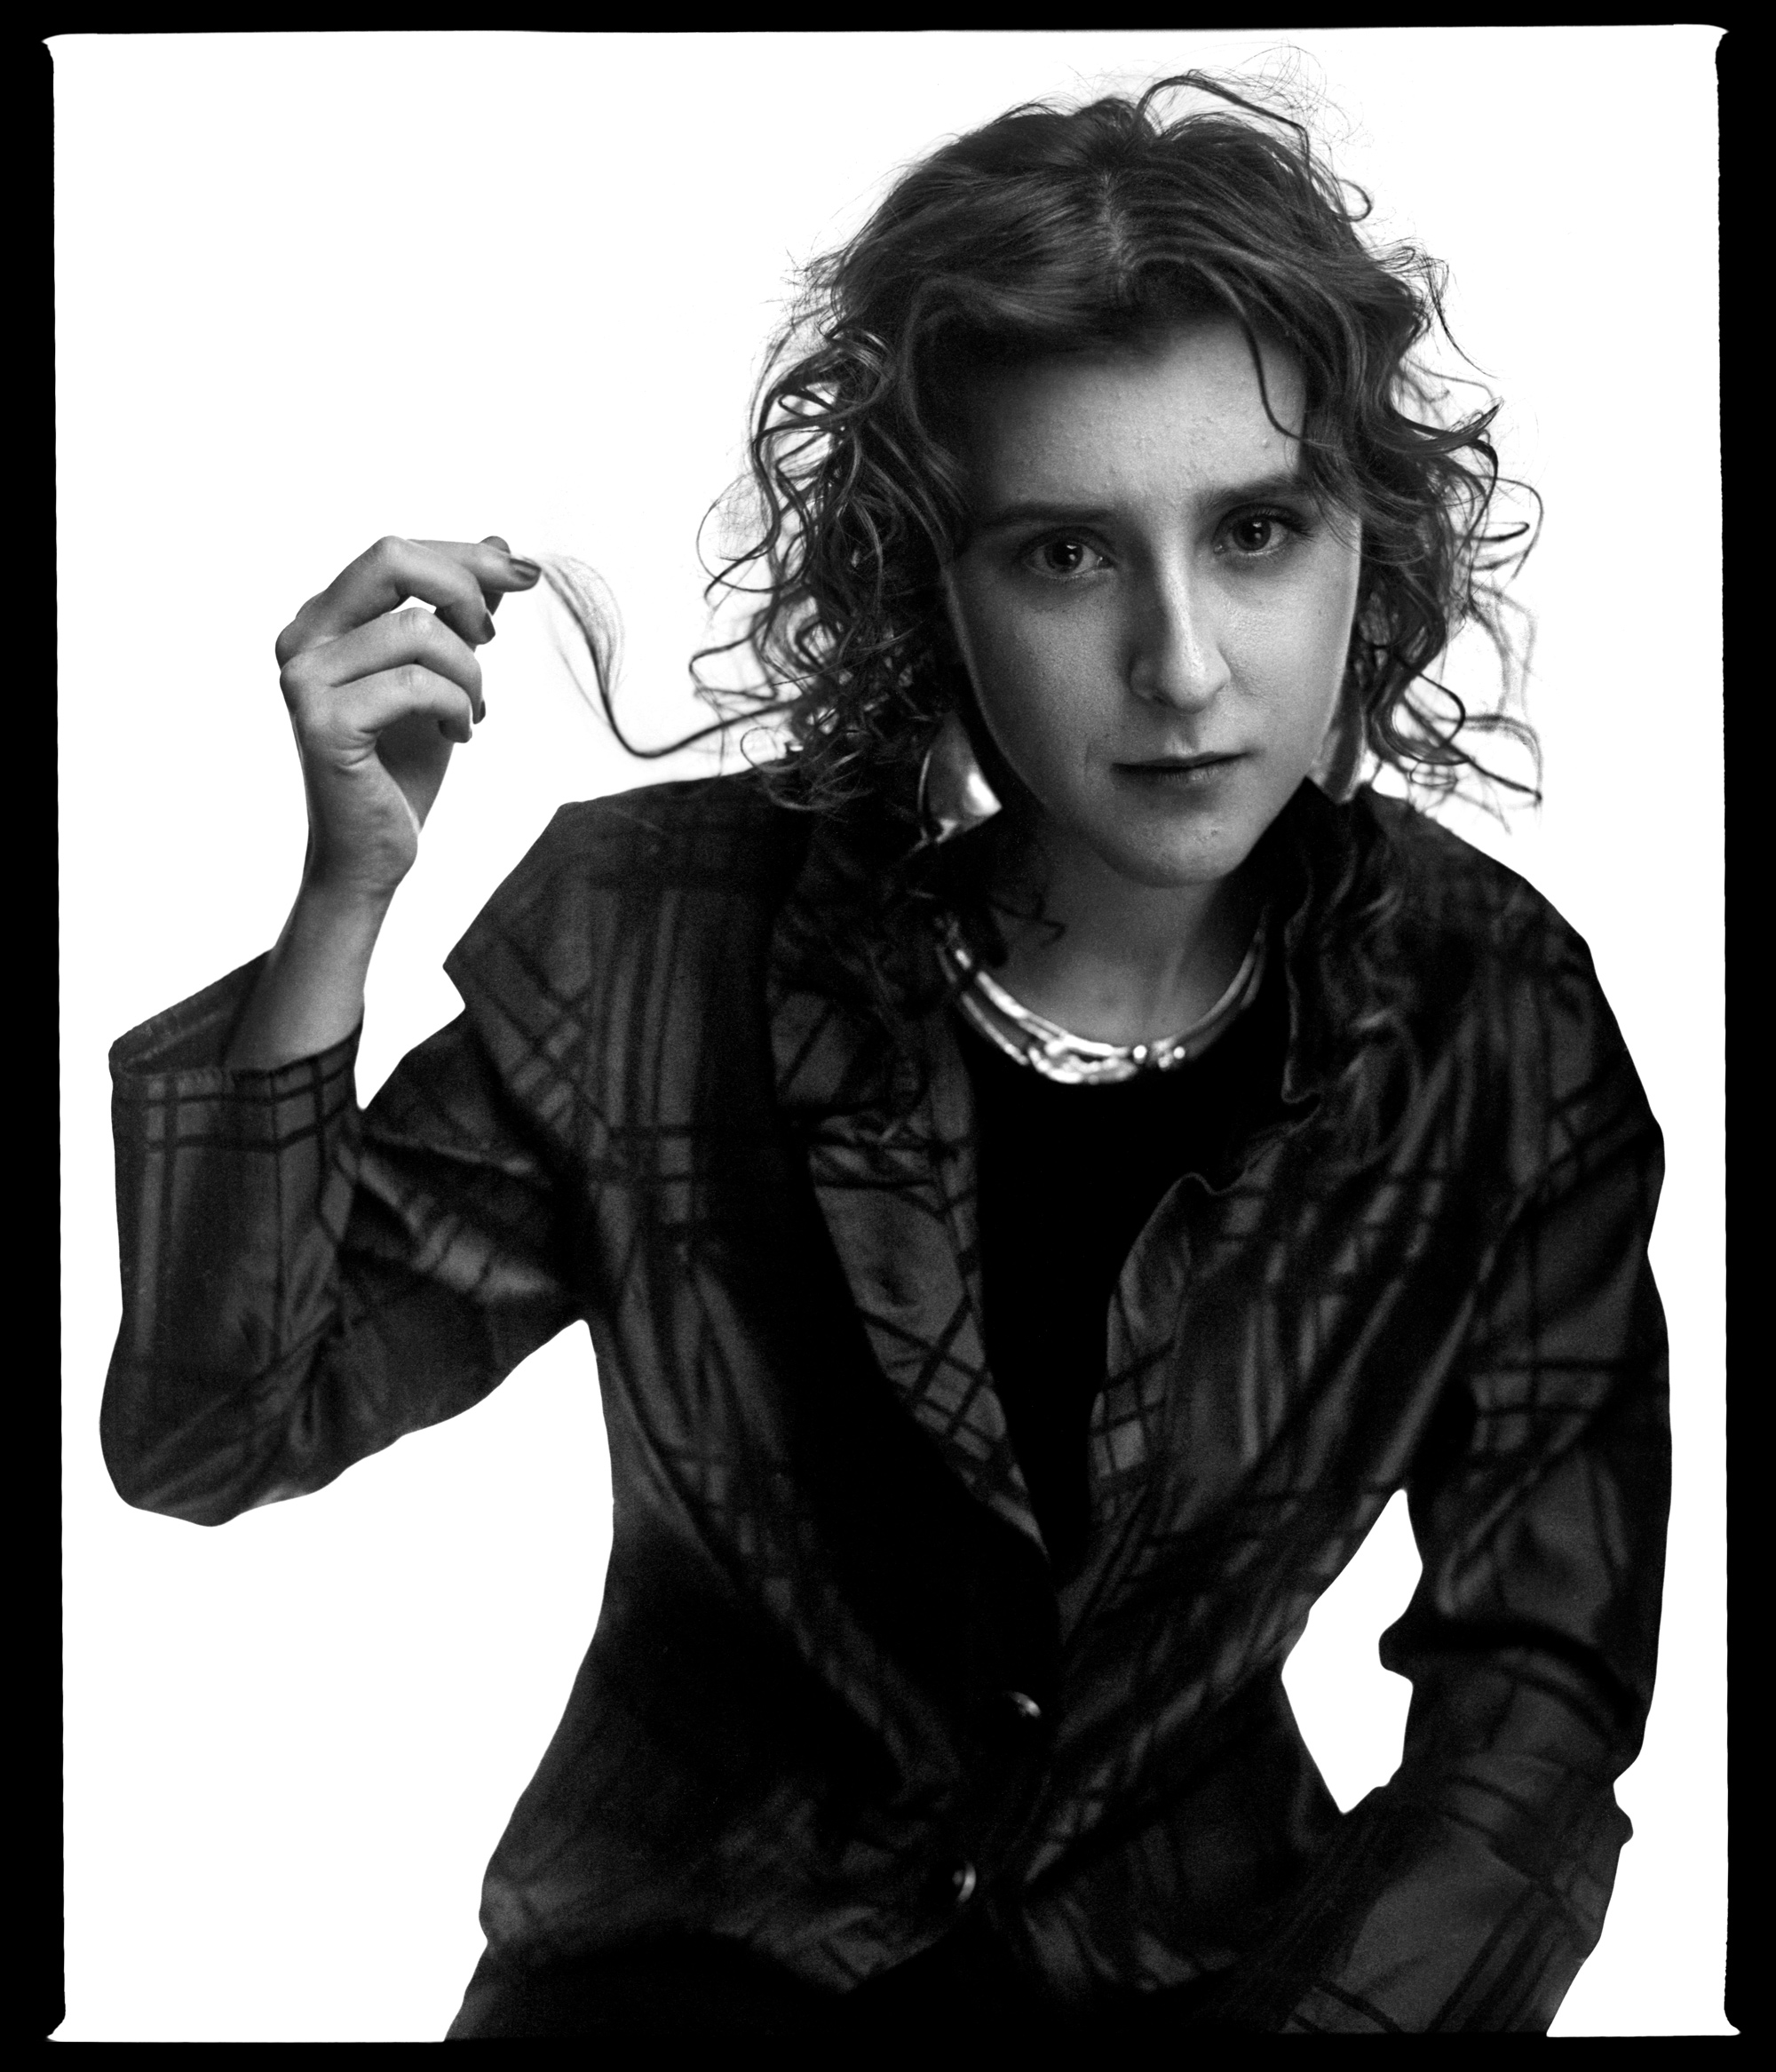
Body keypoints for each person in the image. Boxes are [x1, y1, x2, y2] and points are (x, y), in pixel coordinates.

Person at [100, 73, 1669, 2037]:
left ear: (1373, 539)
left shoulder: (1493, 1019)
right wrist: (343, 900)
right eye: (1067, 555)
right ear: (927, 577)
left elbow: (1535, 1715)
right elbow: (217, 1432)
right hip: (675, 1989)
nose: (1184, 665)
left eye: (1258, 532)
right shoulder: (658, 939)